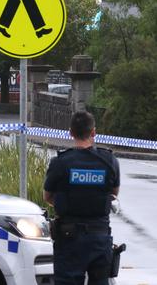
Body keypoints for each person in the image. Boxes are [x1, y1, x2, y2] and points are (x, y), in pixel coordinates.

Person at [44, 111, 120, 285]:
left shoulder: (60, 162)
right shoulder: (109, 161)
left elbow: (47, 196)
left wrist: (70, 203)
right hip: (99, 238)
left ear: (70, 132)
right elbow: (114, 194)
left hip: (69, 238)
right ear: (93, 132)